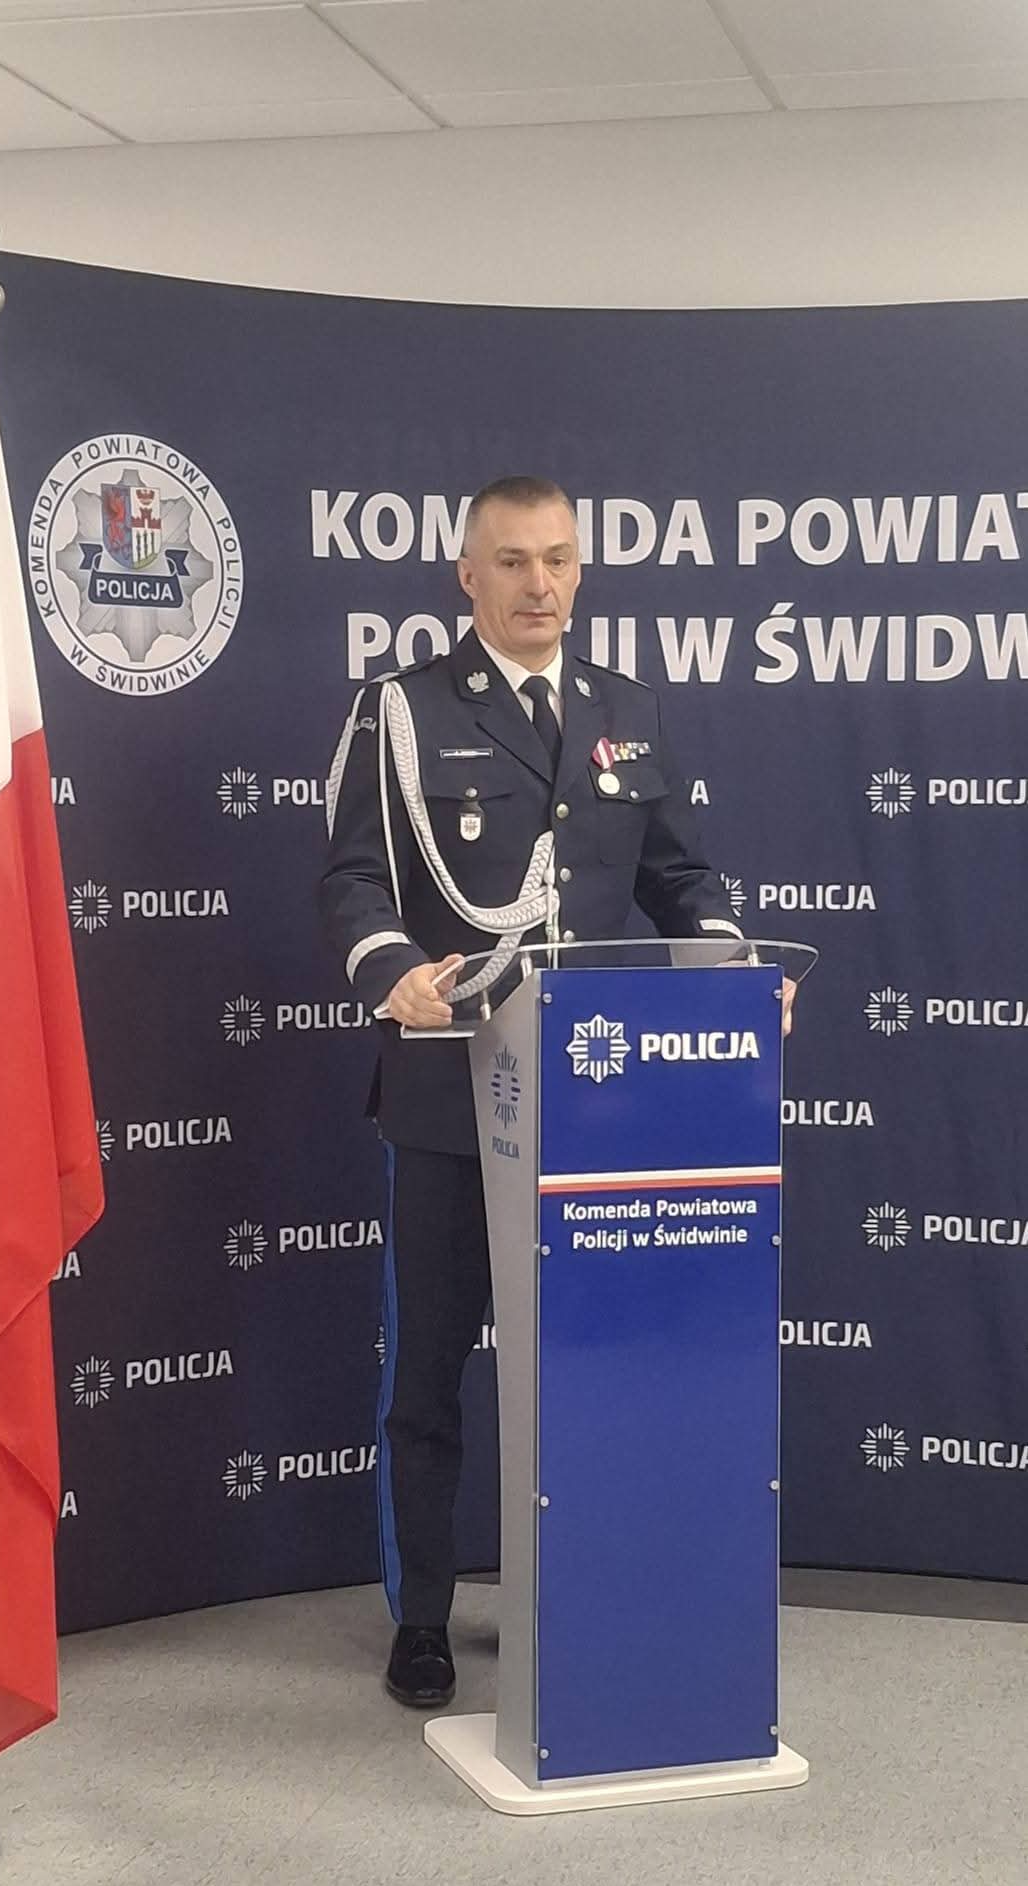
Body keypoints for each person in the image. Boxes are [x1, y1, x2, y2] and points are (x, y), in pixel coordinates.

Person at [321, 474, 783, 1709]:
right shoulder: (402, 710)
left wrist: (734, 972)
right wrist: (393, 970)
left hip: (594, 1107)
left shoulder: (626, 710)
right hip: (447, 1096)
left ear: (581, 570)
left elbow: (677, 878)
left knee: (583, 1372)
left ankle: (568, 1593)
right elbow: (353, 880)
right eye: (514, 561)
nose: (540, 584)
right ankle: (423, 1618)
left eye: (558, 559)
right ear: (466, 577)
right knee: (427, 1376)